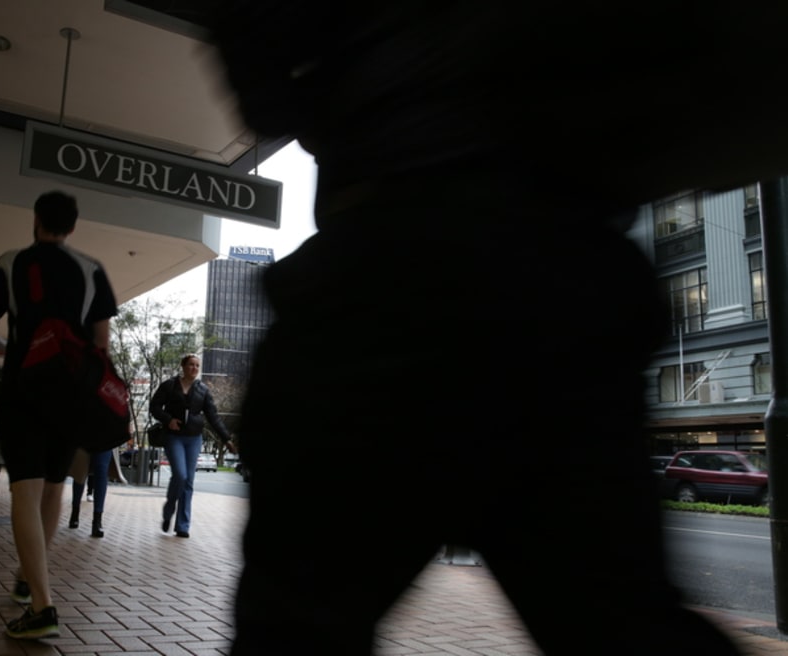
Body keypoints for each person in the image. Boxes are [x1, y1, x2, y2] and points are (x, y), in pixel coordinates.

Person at [204, 4, 788, 655]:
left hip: (381, 267)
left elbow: (258, 60)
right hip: (561, 275)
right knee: (620, 621)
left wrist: (334, 102)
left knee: (296, 625)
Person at [0, 190, 118, 640]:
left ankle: (43, 608)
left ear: (36, 220)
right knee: (54, 488)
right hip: (70, 397)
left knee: (25, 492)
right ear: (73, 226)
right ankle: (28, 579)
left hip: (23, 389)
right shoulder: (92, 270)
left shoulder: (10, 263)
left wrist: (8, 349)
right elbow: (102, 342)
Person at [149, 354, 235, 539]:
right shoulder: (169, 385)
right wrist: (168, 419)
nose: (194, 368)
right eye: (191, 365)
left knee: (188, 482)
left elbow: (213, 417)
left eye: (197, 365)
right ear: (183, 366)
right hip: (174, 437)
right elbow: (154, 407)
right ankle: (169, 509)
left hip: (194, 439)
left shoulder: (202, 389)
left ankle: (183, 526)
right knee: (180, 475)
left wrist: (226, 439)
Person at [67, 447, 113, 536]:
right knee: (80, 471)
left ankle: (97, 521)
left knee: (101, 471)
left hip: (106, 438)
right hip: (84, 437)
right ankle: (75, 512)